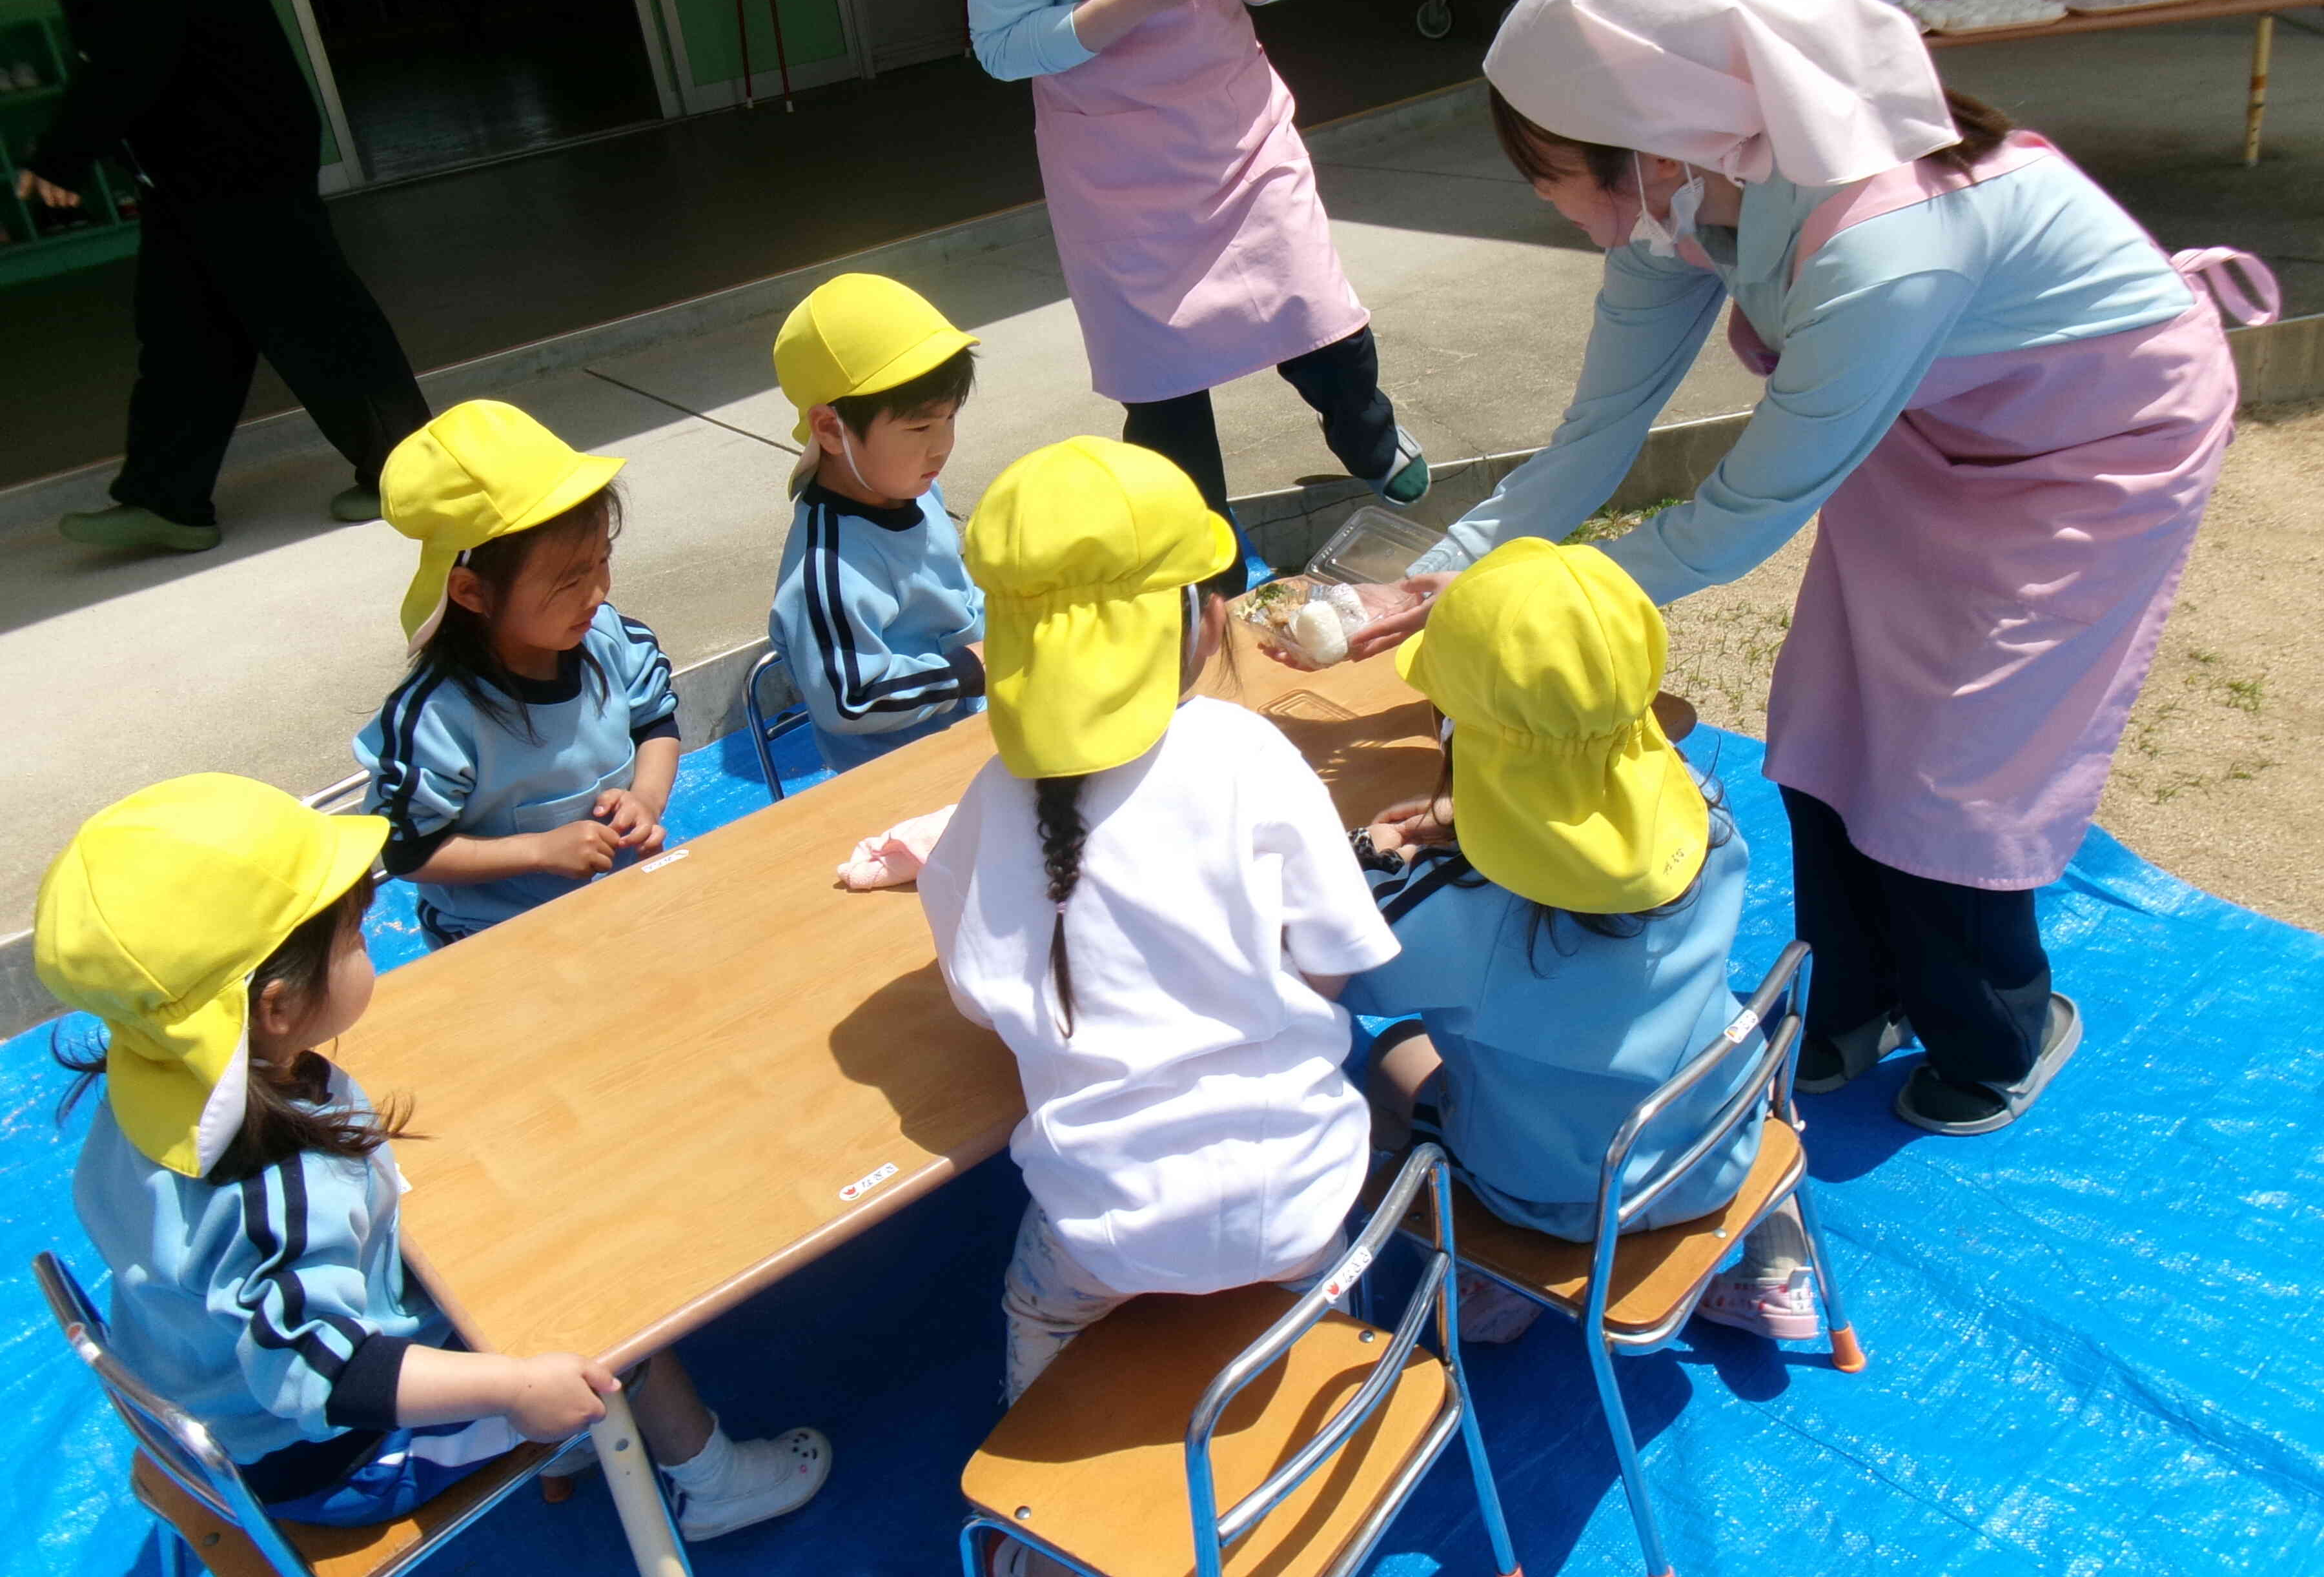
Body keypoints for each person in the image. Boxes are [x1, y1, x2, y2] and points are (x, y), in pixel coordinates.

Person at [1347, 0, 2278, 1138]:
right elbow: (1596, 434)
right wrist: (1438, 576)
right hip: (1921, 428)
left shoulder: (1883, 239)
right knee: (1830, 714)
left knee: (1959, 756)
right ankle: (1851, 998)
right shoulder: (1680, 204)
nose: (1564, 219)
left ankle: (1992, 1032)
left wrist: (1516, 612)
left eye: (1553, 186)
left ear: (1650, 138)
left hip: (2089, 454)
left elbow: (1735, 522)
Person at [37, 773, 829, 1538]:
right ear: (276, 1007)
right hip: (336, 1455)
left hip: (220, 1392)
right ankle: (714, 1484)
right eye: (353, 939)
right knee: (610, 1318)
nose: (366, 949)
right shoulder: (271, 1182)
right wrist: (518, 1387)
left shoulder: (153, 1078)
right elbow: (323, 1376)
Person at [916, 436, 1398, 1400]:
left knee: (1037, 1304)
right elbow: (1336, 958)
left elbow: (980, 1001)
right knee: (1317, 1284)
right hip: (1301, 1195)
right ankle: (1342, 1407)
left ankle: (1038, 1527)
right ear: (1203, 620)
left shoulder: (992, 797)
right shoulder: (1246, 751)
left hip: (1104, 1225)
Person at [1345, 540, 1813, 1343]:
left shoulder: (1449, 911)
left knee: (1391, 1058)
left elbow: (1337, 971)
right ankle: (1774, 1253)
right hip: (1718, 1138)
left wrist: (1370, 859)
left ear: (1463, 733)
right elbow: (1570, 807)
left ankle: (1493, 1279)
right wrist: (1479, 820)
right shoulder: (1701, 810)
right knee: (1719, 1018)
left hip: (1557, 1197)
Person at [955, 0, 1429, 592]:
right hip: (1114, 165)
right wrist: (1131, 1)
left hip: (1238, 120)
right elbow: (1003, 45)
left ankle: (1365, 431)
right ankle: (1203, 561)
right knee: (1162, 382)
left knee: (1319, 309)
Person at [22, 0, 429, 554]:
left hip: (232, 133)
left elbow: (140, 19)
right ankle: (167, 498)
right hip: (188, 142)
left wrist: (65, 148)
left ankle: (411, 473)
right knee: (185, 324)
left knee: (309, 310)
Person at [352, 402, 679, 950]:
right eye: (569, 580)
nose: (598, 593)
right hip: (496, 940)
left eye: (602, 559)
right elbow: (408, 852)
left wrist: (645, 798)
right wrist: (538, 850)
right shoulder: (438, 719)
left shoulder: (610, 639)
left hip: (624, 900)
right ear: (471, 592)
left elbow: (656, 725)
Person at [767, 274, 990, 773]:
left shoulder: (916, 487)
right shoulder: (826, 570)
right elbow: (851, 698)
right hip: (905, 776)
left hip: (978, 728)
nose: (942, 446)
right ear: (829, 428)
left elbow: (961, 598)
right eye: (919, 428)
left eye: (950, 419)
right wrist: (967, 671)